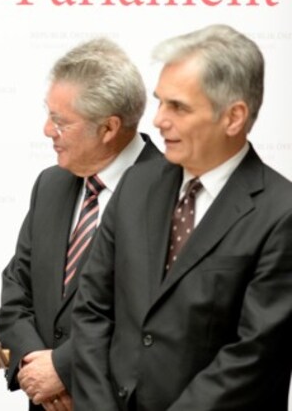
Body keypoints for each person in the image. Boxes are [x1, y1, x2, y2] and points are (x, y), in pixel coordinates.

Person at [73, 24, 292, 410]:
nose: (157, 120)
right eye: (159, 102)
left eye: (178, 106)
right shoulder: (135, 186)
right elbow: (92, 310)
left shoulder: (281, 212)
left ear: (234, 117)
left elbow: (255, 356)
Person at [0, 38, 160, 410]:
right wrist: (34, 365)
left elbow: (155, 319)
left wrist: (64, 368)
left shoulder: (172, 193)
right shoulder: (50, 185)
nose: (46, 130)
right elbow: (16, 291)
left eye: (60, 121)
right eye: (48, 114)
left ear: (108, 128)